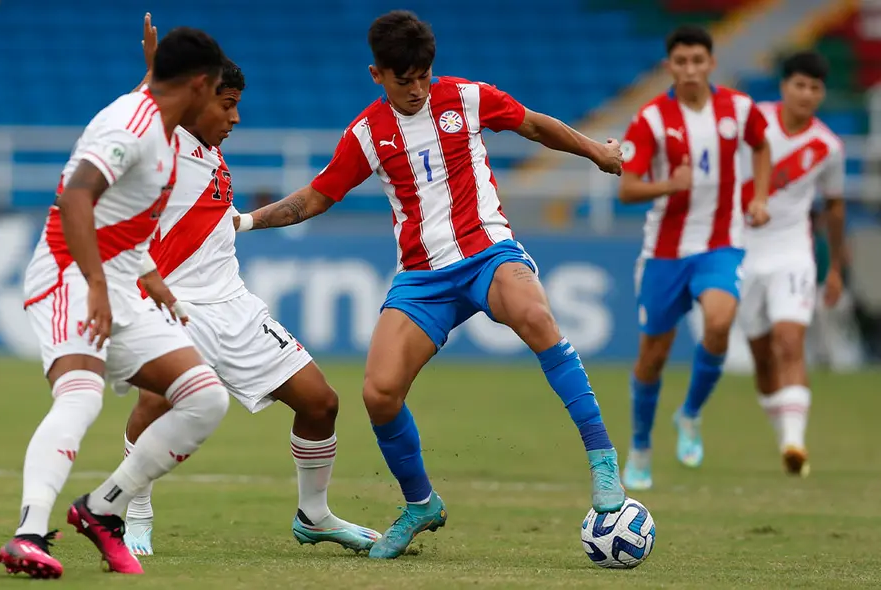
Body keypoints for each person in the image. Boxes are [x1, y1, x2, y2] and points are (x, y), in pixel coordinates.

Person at [232, 10, 627, 559]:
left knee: (536, 317)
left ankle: (603, 463)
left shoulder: (468, 96)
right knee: (378, 393)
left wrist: (597, 152)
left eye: (423, 75)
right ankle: (421, 504)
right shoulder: (367, 133)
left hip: (488, 252)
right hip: (423, 277)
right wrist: (247, 221)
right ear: (377, 75)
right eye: (403, 80)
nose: (416, 89)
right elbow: (317, 197)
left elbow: (534, 124)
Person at [118, 16, 380, 556]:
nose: (236, 117)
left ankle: (315, 514)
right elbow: (143, 118)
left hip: (235, 307)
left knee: (320, 403)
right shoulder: (163, 139)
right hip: (176, 306)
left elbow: (207, 212)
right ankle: (134, 509)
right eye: (226, 105)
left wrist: (241, 221)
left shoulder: (211, 148)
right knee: (154, 403)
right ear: (195, 100)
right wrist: (152, 73)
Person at [0, 27, 228, 578]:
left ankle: (101, 509)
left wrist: (150, 278)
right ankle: (28, 534)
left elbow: (123, 220)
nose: (227, 108)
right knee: (81, 396)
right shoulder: (135, 125)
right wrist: (97, 286)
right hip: (69, 274)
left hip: (121, 282)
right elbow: (77, 195)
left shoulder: (164, 126)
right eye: (219, 91)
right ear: (199, 84)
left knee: (204, 399)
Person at [617, 25, 771, 491]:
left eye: (697, 61)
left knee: (721, 320)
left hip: (721, 243)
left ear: (711, 63)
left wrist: (759, 197)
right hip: (665, 252)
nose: (689, 69)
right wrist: (668, 185)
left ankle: (690, 413)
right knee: (652, 358)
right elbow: (626, 187)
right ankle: (641, 444)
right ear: (670, 66)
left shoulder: (739, 109)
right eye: (680, 62)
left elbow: (762, 146)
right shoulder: (650, 120)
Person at [737, 51, 846, 477]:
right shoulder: (755, 121)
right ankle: (783, 431)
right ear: (784, 87)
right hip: (744, 249)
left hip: (792, 251)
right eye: (799, 85)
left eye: (815, 88)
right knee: (762, 357)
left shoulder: (828, 147)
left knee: (789, 340)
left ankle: (794, 442)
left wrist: (834, 266)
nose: (806, 94)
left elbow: (834, 208)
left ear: (822, 94)